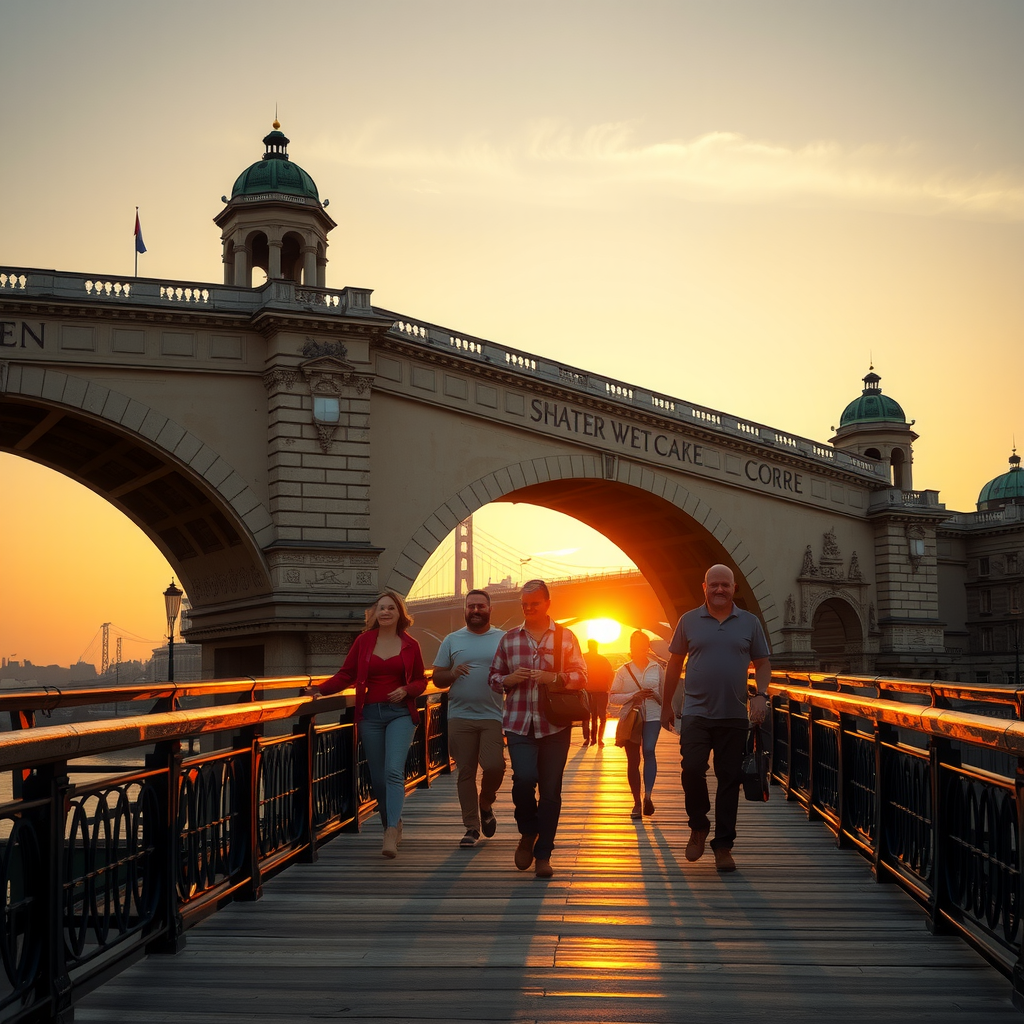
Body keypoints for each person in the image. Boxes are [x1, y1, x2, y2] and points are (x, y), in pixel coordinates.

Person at [660, 564, 771, 873]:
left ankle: (723, 846)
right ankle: (698, 825)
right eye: (714, 585)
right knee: (691, 768)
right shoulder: (688, 621)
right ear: (704, 587)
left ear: (734, 588)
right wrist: (667, 704)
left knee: (728, 779)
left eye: (725, 585)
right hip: (696, 712)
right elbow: (674, 664)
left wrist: (760, 695)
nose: (719, 590)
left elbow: (762, 663)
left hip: (734, 714)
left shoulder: (749, 623)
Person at [303, 590, 427, 859]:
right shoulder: (363, 641)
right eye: (380, 608)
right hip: (370, 715)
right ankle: (392, 823)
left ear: (399, 614)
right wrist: (320, 691)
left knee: (393, 771)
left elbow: (421, 681)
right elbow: (346, 674)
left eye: (390, 608)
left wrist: (406, 690)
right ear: (374, 613)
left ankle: (390, 831)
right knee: (378, 778)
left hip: (400, 715)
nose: (384, 612)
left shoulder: (410, 644)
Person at [488, 579, 587, 879]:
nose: (529, 609)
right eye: (524, 605)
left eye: (534, 604)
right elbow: (493, 677)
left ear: (547, 603)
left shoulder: (566, 637)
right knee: (523, 780)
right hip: (518, 723)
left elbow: (581, 675)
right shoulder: (509, 639)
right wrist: (509, 680)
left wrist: (553, 678)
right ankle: (528, 831)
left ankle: (544, 853)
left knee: (551, 792)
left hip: (554, 725)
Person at [432, 589, 507, 848]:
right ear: (465, 609)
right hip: (460, 716)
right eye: (471, 606)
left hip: (493, 715)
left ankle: (486, 803)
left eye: (480, 606)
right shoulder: (452, 640)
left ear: (489, 610)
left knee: (495, 766)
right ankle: (471, 828)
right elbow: (437, 678)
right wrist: (452, 674)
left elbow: (513, 672)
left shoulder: (503, 638)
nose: (475, 610)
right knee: (465, 772)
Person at [610, 630, 664, 819]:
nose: (639, 649)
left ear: (647, 647)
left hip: (653, 716)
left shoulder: (657, 668)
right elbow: (612, 696)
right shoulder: (623, 670)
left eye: (642, 646)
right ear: (631, 648)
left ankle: (647, 796)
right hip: (631, 718)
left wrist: (654, 695)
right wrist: (633, 696)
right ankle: (636, 802)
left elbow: (665, 695)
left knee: (649, 750)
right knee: (633, 760)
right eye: (635, 646)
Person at [582, 639, 613, 746]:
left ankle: (589, 739)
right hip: (600, 690)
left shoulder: (583, 658)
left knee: (588, 716)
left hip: (589, 691)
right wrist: (609, 686)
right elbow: (611, 673)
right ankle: (598, 739)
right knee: (601, 716)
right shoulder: (602, 659)